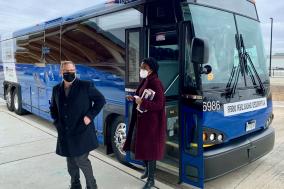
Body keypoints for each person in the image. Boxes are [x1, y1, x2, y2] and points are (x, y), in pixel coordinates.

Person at [49, 61, 106, 189]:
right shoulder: (56, 89)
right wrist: (56, 122)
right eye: (66, 71)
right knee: (70, 162)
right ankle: (75, 185)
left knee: (81, 160)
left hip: (82, 131)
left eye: (72, 70)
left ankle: (92, 186)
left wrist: (89, 116)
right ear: (61, 72)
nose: (70, 73)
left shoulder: (85, 86)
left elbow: (100, 100)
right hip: (65, 132)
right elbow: (53, 108)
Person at [123, 57, 166, 189]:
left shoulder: (156, 83)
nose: (141, 70)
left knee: (151, 151)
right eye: (141, 67)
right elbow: (141, 96)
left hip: (152, 124)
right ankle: (147, 171)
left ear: (151, 69)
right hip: (142, 121)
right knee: (143, 148)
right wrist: (134, 98)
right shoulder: (146, 80)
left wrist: (143, 102)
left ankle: (151, 180)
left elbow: (159, 105)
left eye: (144, 68)